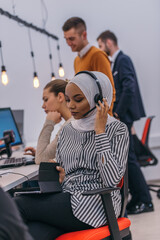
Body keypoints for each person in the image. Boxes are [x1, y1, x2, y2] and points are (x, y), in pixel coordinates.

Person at [15, 71, 129, 240]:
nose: (71, 106)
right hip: (67, 200)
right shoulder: (68, 129)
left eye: (78, 99)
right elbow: (63, 170)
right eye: (68, 100)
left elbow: (111, 180)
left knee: (17, 205)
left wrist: (100, 132)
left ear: (98, 99)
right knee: (32, 233)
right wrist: (60, 174)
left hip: (96, 205)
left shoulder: (117, 130)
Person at [97, 30, 153, 214]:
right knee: (127, 159)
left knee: (128, 160)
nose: (100, 50)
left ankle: (145, 200)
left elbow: (129, 88)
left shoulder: (123, 60)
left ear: (109, 43)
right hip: (124, 117)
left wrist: (118, 114)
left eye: (100, 46)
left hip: (125, 116)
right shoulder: (117, 62)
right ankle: (138, 197)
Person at [62, 17, 116, 116]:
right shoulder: (77, 60)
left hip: (100, 121)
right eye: (66, 39)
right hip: (86, 120)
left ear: (84, 35)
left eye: (72, 39)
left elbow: (110, 90)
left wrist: (104, 119)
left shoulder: (97, 55)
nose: (69, 43)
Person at [24, 79, 72, 164]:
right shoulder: (71, 122)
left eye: (46, 99)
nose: (43, 106)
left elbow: (40, 161)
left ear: (60, 97)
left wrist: (49, 122)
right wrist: (39, 153)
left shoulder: (70, 126)